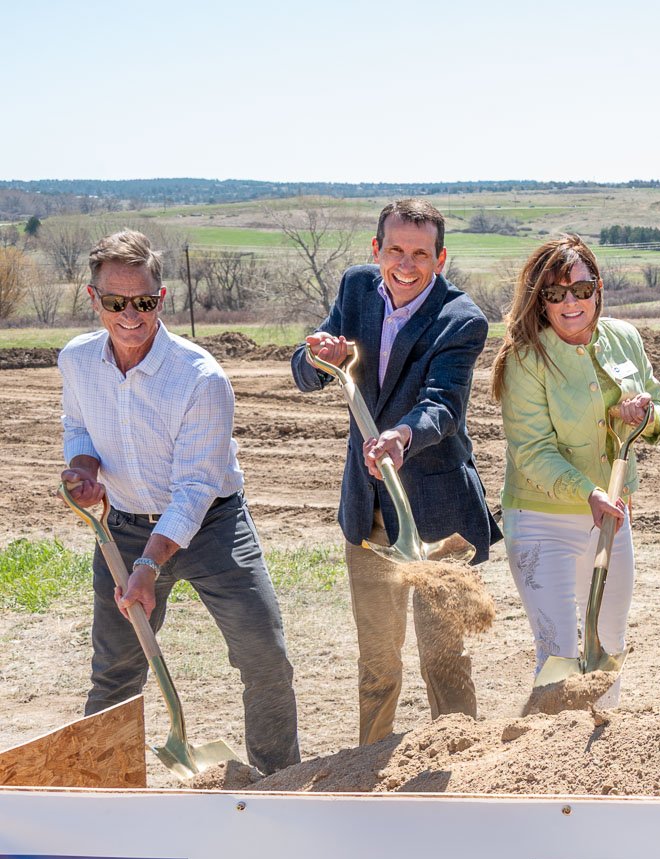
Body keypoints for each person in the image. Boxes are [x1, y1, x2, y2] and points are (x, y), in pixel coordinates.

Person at [59, 230, 300, 773]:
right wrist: (83, 470)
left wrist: (149, 563)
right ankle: (104, 788)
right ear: (93, 299)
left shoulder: (200, 378)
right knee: (115, 670)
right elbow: (77, 426)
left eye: (142, 302)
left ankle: (277, 780)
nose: (130, 315)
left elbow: (194, 487)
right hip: (121, 525)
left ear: (160, 300)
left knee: (265, 659)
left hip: (214, 527)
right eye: (115, 302)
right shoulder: (75, 361)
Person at [290, 199, 499, 744]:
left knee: (442, 659)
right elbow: (307, 368)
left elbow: (444, 405)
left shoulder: (462, 319)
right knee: (378, 664)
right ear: (376, 249)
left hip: (440, 515)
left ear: (441, 258)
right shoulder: (357, 289)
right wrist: (318, 356)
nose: (406, 265)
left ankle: (460, 766)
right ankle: (370, 769)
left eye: (421, 254)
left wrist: (403, 434)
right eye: (396, 250)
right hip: (371, 511)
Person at [493, 235, 660, 676]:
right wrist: (587, 491)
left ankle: (603, 741)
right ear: (542, 300)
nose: (571, 302)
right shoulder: (525, 358)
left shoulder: (624, 338)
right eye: (555, 293)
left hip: (611, 518)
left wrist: (642, 418)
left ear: (599, 288)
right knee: (558, 654)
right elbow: (532, 451)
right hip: (541, 522)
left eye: (582, 290)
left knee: (608, 643)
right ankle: (552, 741)